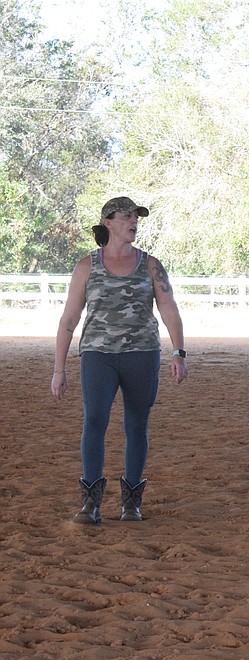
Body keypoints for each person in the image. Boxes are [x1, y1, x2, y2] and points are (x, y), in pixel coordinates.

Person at [51, 196, 188, 525]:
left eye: (136, 216)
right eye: (126, 216)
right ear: (108, 223)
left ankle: (131, 503)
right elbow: (69, 319)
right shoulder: (87, 266)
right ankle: (91, 503)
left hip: (141, 354)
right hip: (98, 355)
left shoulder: (151, 265)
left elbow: (169, 309)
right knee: (94, 420)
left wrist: (178, 352)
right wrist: (59, 369)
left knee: (136, 425)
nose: (134, 221)